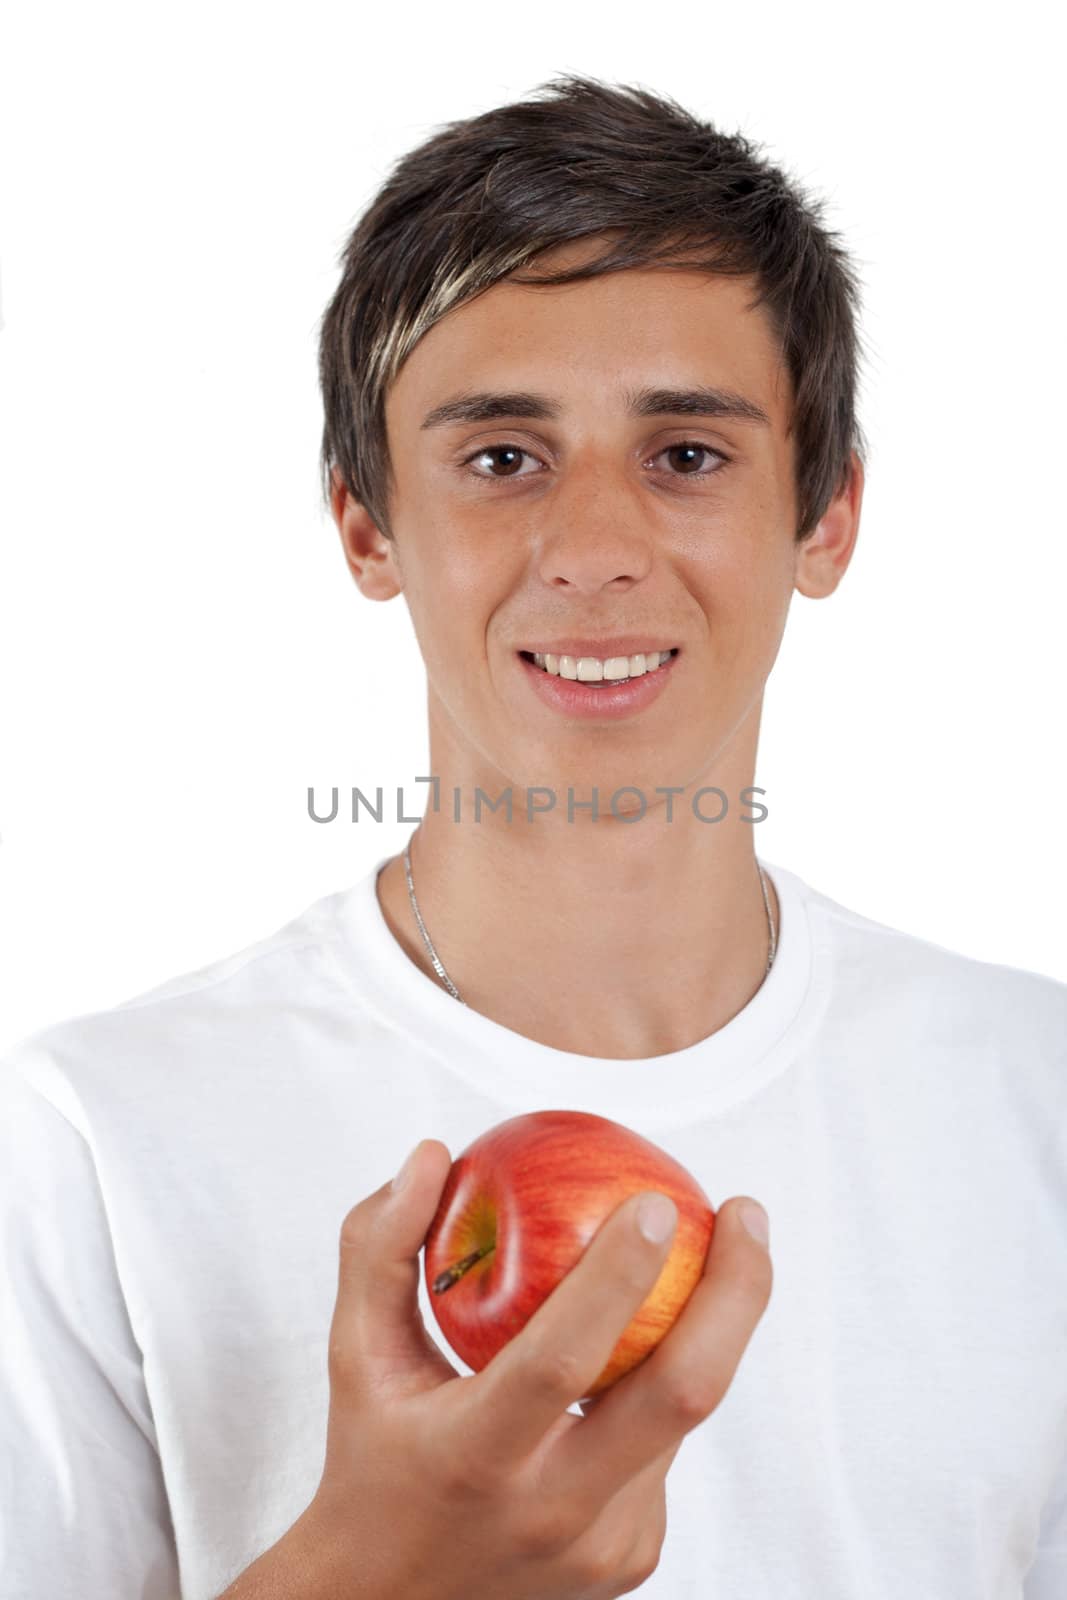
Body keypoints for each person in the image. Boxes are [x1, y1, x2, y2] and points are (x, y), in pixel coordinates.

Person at [1, 73, 1064, 1600]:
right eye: (501, 457)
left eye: (687, 454)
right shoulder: (95, 1142)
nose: (594, 553)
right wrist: (359, 1576)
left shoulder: (1039, 1104)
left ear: (823, 513)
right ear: (368, 528)